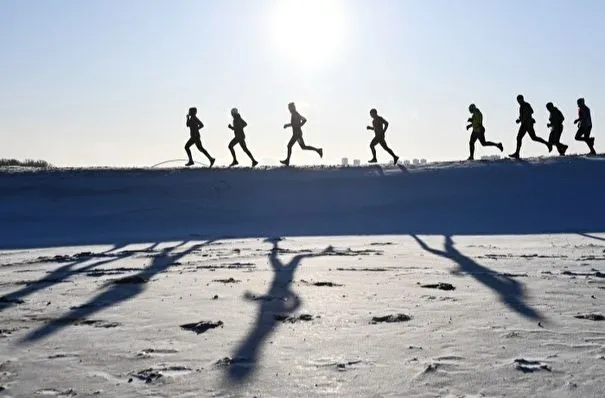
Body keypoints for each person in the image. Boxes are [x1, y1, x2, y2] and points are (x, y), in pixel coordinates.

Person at [509, 95, 550, 159]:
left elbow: (531, 111)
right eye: (518, 100)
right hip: (524, 124)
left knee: (534, 138)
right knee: (519, 137)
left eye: (519, 100)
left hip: (528, 124)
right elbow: (523, 115)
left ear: (522, 99)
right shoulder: (521, 107)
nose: (519, 101)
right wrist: (519, 120)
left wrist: (527, 118)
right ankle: (517, 153)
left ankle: (547, 143)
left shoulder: (526, 105)